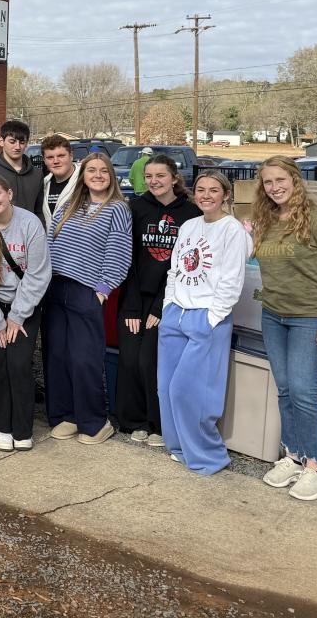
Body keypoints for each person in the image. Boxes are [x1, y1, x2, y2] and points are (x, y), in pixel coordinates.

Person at [252, 156, 317, 501]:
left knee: (303, 391)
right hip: (273, 316)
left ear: (295, 179)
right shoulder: (266, 219)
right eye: (268, 182)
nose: (274, 187)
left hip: (311, 317)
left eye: (280, 180)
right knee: (285, 389)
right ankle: (293, 456)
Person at [159, 171, 251, 475]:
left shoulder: (232, 230)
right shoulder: (189, 225)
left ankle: (208, 457)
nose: (206, 195)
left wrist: (212, 317)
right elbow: (175, 269)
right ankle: (179, 447)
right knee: (167, 388)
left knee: (191, 391)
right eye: (201, 189)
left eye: (214, 190)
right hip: (176, 313)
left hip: (206, 316)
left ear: (226, 195)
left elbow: (232, 279)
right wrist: (169, 305)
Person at [43, 153, 132, 446]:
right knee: (58, 357)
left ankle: (94, 422)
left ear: (111, 176)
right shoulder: (69, 205)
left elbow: (119, 251)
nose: (97, 175)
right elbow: (50, 242)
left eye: (103, 170)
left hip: (87, 290)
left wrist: (103, 289)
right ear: (83, 175)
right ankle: (66, 415)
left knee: (84, 359)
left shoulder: (117, 208)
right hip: (55, 287)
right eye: (91, 170)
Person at [119, 155, 201, 445]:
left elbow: (185, 265)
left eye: (160, 176)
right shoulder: (135, 208)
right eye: (149, 176)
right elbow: (126, 259)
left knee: (151, 361)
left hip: (168, 300)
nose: (154, 181)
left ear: (174, 177)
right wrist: (131, 306)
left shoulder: (191, 214)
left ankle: (158, 423)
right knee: (129, 360)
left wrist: (159, 306)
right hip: (134, 297)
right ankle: (134, 421)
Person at [0, 172, 52, 452]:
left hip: (25, 304)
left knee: (18, 364)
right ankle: (2, 426)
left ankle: (21, 427)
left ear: (9, 194)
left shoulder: (30, 223)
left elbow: (38, 274)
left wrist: (16, 316)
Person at [0, 120, 45, 220]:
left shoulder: (36, 174)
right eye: (12, 142)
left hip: (30, 229)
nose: (17, 147)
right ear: (1, 141)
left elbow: (39, 211)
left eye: (22, 142)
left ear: (26, 144)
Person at [39, 134, 81, 231]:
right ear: (44, 160)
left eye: (61, 156)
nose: (56, 161)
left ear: (71, 156)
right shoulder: (44, 184)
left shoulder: (85, 181)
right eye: (50, 157)